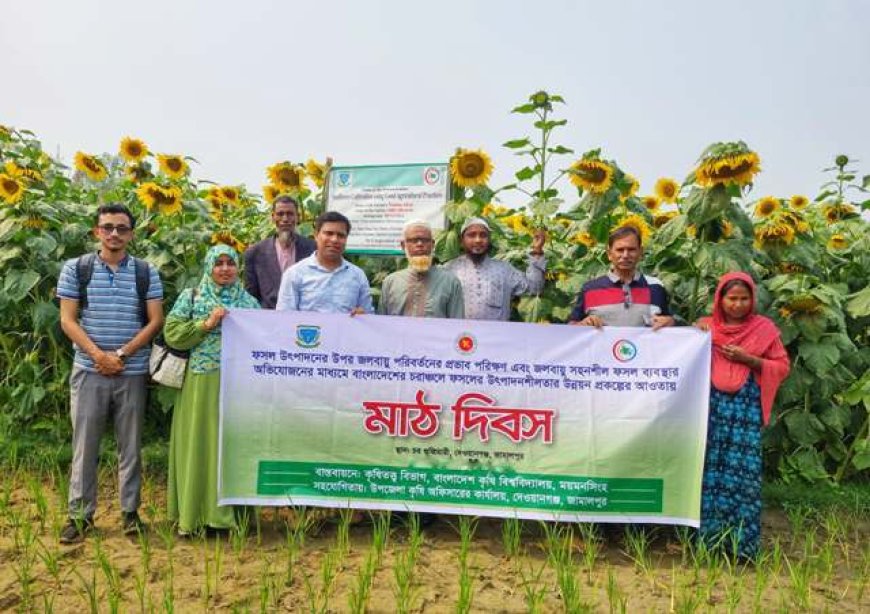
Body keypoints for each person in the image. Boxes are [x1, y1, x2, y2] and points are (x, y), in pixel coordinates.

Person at [57, 203, 164, 543]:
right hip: (89, 370)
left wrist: (119, 355)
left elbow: (155, 320)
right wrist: (98, 356)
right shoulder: (77, 269)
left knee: (130, 445)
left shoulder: (147, 272)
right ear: (96, 232)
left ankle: (130, 513)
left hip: (130, 371)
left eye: (121, 228)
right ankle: (80, 515)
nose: (114, 233)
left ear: (132, 234)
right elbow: (67, 320)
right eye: (108, 227)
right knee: (84, 445)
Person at [164, 244, 260, 535]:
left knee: (232, 445)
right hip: (201, 382)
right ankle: (195, 515)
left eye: (230, 263)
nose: (224, 269)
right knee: (200, 442)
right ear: (208, 267)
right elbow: (173, 333)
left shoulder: (248, 302)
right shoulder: (192, 296)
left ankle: (230, 517)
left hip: (237, 383)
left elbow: (263, 337)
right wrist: (207, 324)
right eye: (217, 263)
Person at [695, 271, 790, 559]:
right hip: (711, 409)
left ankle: (741, 545)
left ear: (752, 300)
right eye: (731, 298)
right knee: (709, 470)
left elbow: (782, 366)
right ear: (720, 299)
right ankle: (708, 543)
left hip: (744, 412)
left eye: (744, 298)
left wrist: (749, 359)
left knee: (743, 474)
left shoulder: (764, 330)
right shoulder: (705, 328)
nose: (737, 304)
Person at [568, 226, 675, 329]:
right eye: (620, 250)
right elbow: (570, 328)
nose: (625, 255)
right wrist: (582, 324)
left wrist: (670, 321)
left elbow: (669, 322)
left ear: (641, 252)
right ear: (609, 254)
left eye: (631, 249)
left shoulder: (655, 287)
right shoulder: (590, 289)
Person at [444, 217, 546, 320]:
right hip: (461, 335)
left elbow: (535, 287)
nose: (478, 240)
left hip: (496, 335)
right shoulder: (449, 270)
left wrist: (537, 250)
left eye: (483, 235)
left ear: (489, 240)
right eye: (472, 235)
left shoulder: (504, 270)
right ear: (462, 241)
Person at [275, 211, 373, 314]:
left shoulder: (358, 276)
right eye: (329, 233)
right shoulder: (295, 274)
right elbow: (284, 318)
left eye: (341, 235)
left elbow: (368, 317)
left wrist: (363, 315)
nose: (334, 239)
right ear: (316, 235)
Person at [378, 220, 464, 319]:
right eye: (414, 240)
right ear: (403, 245)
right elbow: (382, 324)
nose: (420, 244)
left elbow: (457, 325)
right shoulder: (391, 282)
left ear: (432, 245)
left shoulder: (450, 282)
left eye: (425, 240)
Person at [244, 195, 316, 309]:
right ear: (273, 217)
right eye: (280, 214)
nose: (285, 219)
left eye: (290, 214)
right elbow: (250, 297)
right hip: (269, 320)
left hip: (304, 318)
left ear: (298, 217)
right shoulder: (255, 253)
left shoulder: (313, 249)